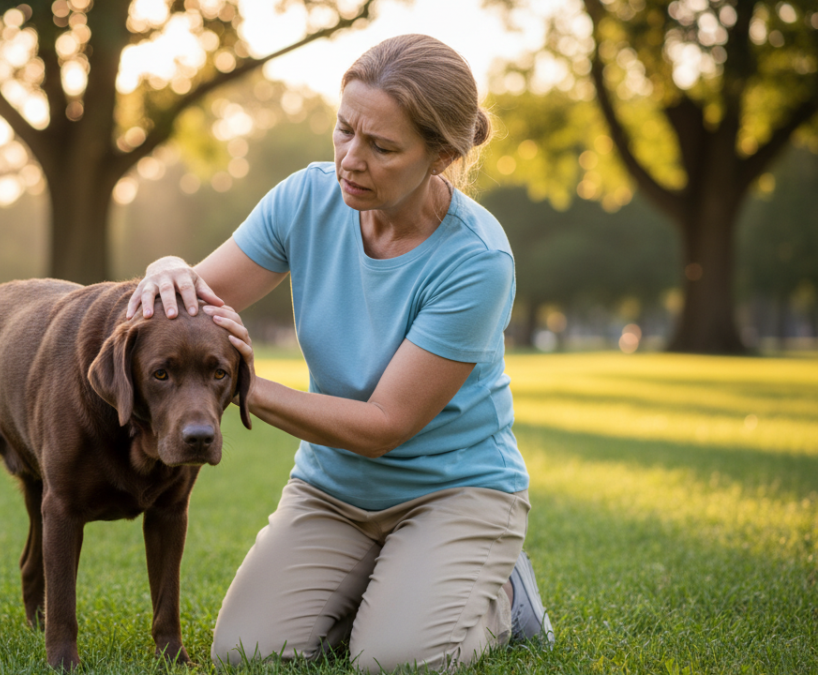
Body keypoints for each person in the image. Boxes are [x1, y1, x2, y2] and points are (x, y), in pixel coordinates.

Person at [126, 34, 553, 672]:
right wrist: (165, 267)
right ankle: (395, 583)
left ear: (441, 157)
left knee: (393, 662)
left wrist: (245, 384)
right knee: (247, 654)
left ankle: (502, 597)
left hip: (454, 491)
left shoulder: (475, 261)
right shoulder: (306, 198)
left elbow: (384, 427)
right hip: (332, 491)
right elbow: (194, 300)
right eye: (345, 129)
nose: (351, 159)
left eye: (382, 147)